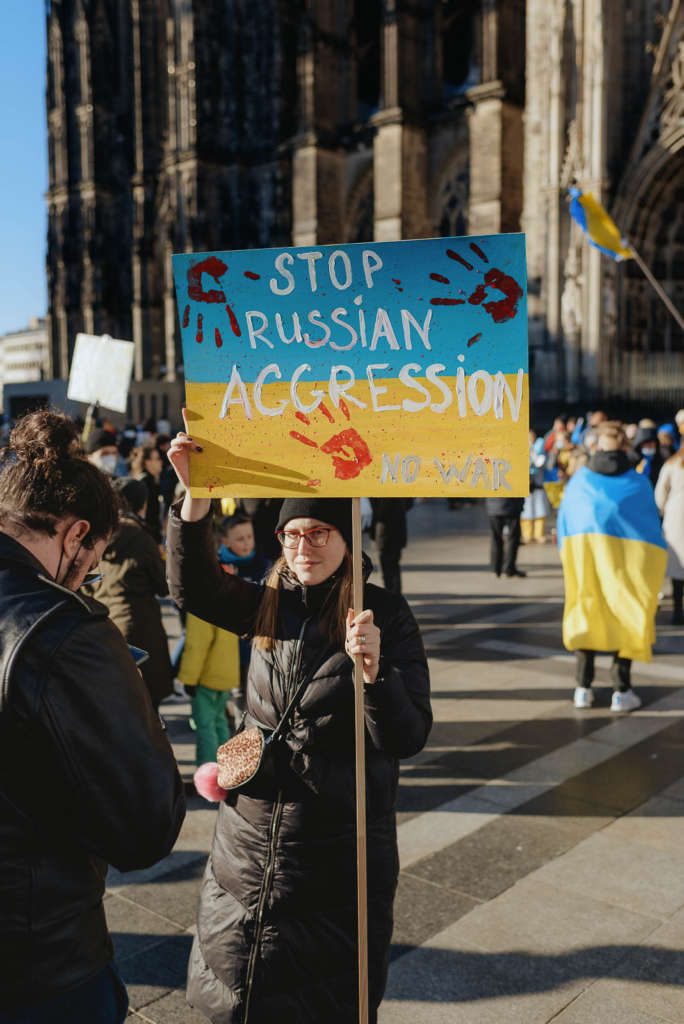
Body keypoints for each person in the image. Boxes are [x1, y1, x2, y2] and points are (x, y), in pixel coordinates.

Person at [166, 426, 432, 1024]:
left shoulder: (383, 611)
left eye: (318, 533)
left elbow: (408, 736)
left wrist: (376, 671)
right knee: (237, 983)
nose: (301, 546)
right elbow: (190, 585)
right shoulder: (268, 597)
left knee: (318, 998)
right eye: (290, 534)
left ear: (345, 535)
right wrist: (195, 499)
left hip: (335, 846)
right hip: (248, 834)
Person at [0, 411, 185, 1021]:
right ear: (76, 534)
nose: (87, 582)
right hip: (37, 958)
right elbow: (145, 827)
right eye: (92, 565)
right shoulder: (64, 628)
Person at [557, 421, 666, 711]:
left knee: (587, 610)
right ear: (624, 447)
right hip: (627, 566)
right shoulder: (638, 482)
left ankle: (583, 687)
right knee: (626, 613)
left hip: (587, 562)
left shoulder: (580, 481)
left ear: (596, 446)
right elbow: (651, 529)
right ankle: (622, 690)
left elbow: (564, 523)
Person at [85, 476, 174, 708]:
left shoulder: (97, 535)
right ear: (142, 505)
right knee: (146, 706)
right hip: (141, 626)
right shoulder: (141, 538)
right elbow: (164, 585)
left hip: (106, 625)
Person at [654, 447, 684, 625]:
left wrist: (662, 510)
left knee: (677, 568)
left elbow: (660, 494)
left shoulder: (671, 464)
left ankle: (677, 610)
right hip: (676, 514)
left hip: (675, 516)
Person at [370, 498, 413, 593]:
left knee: (388, 570)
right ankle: (395, 597)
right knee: (393, 567)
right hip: (398, 528)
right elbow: (410, 503)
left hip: (384, 531)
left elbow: (380, 510)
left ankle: (392, 597)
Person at [130, 443, 164, 545]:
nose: (161, 462)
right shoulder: (147, 483)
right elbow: (150, 516)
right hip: (148, 538)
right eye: (157, 459)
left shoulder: (144, 480)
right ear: (147, 462)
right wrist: (157, 542)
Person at [485, 495, 526, 577]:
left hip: (493, 506)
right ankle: (509, 568)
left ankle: (496, 568)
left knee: (496, 538)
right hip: (512, 506)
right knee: (513, 538)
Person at [521, 434, 550, 543]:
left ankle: (539, 534)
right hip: (526, 486)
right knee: (526, 512)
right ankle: (527, 534)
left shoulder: (540, 451)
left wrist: (533, 454)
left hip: (538, 485)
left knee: (539, 511)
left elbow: (540, 463)